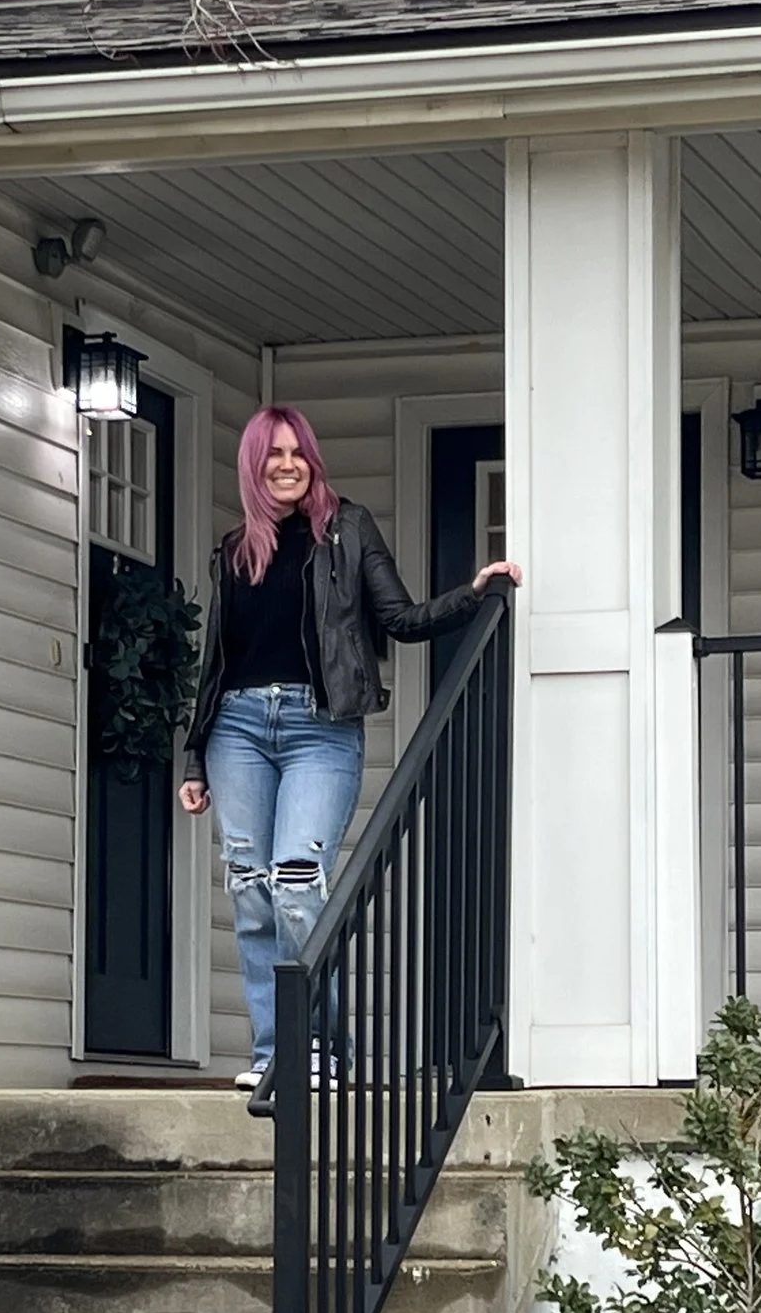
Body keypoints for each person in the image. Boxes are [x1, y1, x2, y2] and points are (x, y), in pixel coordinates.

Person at [179, 406, 521, 1091]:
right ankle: (277, 1052)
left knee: (298, 884)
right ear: (252, 464)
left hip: (319, 727)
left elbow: (399, 618)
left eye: (297, 451)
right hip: (237, 729)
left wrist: (472, 594)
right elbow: (216, 661)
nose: (286, 463)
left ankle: (323, 1050)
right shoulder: (233, 551)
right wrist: (193, 757)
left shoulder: (347, 528)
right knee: (250, 890)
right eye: (272, 453)